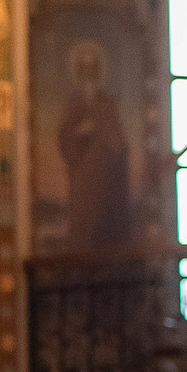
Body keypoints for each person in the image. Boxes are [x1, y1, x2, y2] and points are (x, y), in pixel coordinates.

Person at [58, 37, 134, 250]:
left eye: (93, 68)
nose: (89, 73)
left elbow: (119, 138)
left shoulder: (106, 102)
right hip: (83, 173)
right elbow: (64, 137)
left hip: (105, 173)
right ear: (79, 71)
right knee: (85, 217)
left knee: (105, 220)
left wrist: (115, 145)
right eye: (85, 68)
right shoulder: (73, 101)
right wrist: (81, 132)